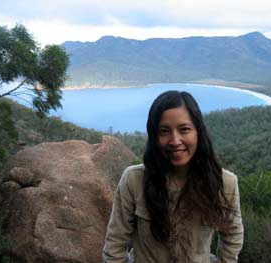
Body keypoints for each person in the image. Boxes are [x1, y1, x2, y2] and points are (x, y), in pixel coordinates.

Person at [103, 90, 243, 263]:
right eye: (164, 131)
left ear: (198, 132)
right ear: (154, 136)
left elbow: (233, 233)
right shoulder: (134, 180)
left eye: (184, 129)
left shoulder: (224, 183)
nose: (175, 141)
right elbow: (115, 243)